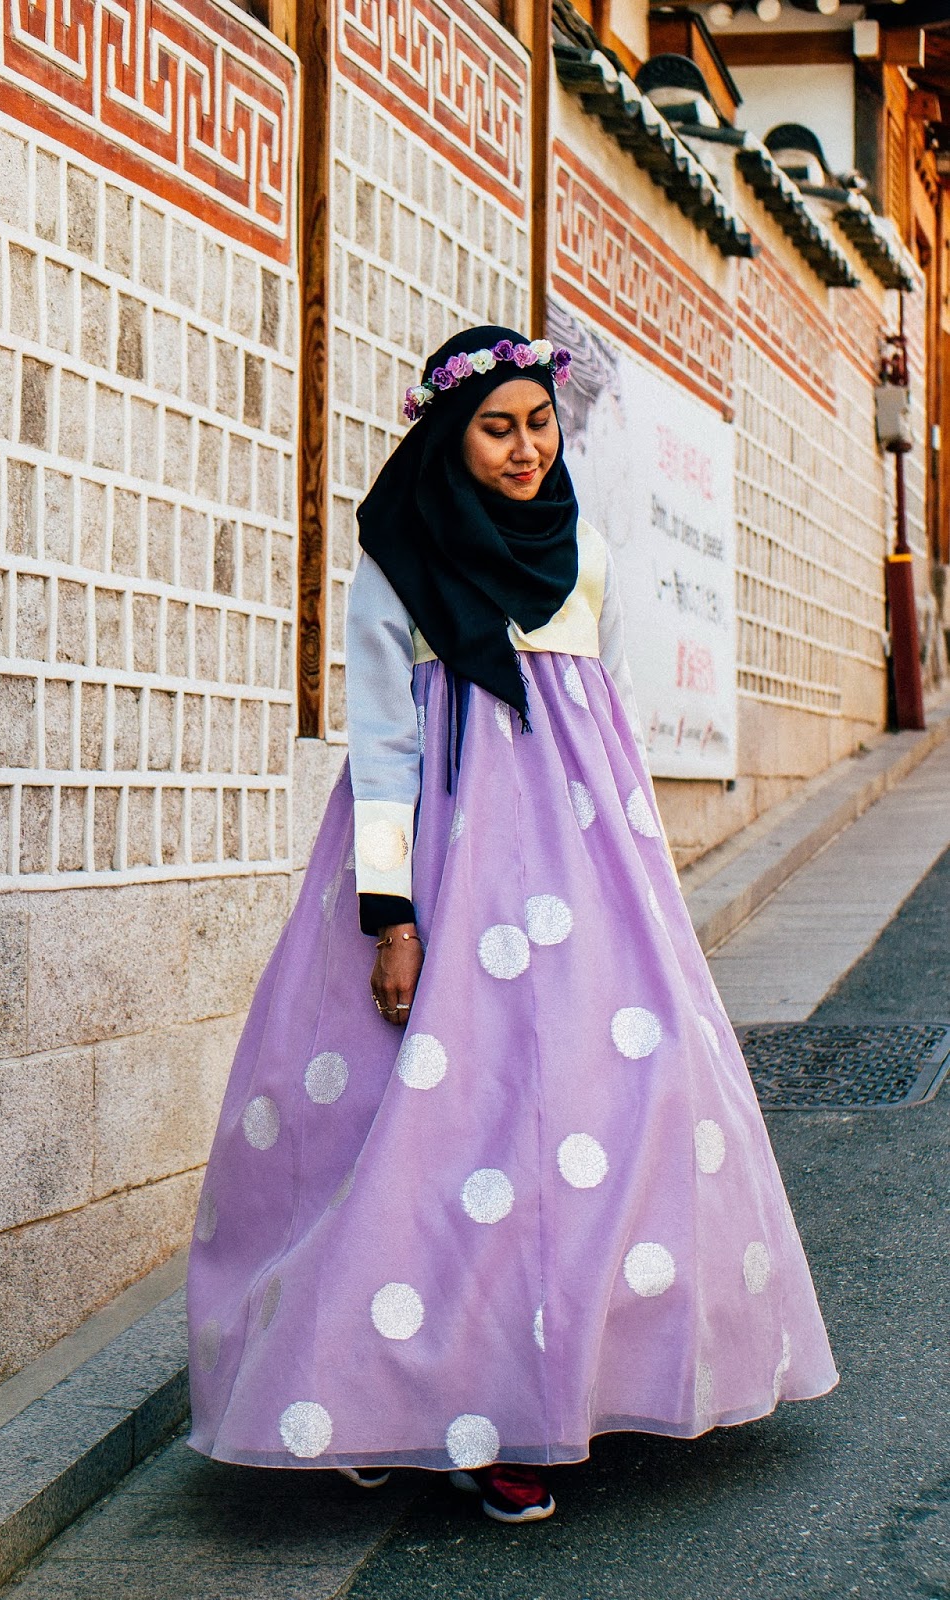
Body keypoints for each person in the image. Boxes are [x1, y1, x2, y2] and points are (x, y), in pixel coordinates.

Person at [186, 325, 838, 1526]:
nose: (528, 448)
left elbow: (608, 715)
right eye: (499, 427)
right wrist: (393, 918)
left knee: (606, 1105)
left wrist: (641, 870)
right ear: (447, 433)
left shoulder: (580, 547)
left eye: (540, 422)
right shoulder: (396, 560)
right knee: (413, 1130)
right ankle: (377, 1389)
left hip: (585, 871)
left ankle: (538, 1395)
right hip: (443, 862)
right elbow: (379, 745)